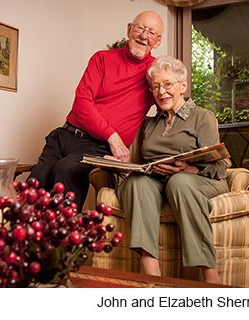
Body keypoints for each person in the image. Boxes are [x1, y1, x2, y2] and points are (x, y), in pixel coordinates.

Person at [29, 11, 164, 211]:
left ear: (157, 42)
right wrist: (114, 138)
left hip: (97, 147)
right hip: (65, 135)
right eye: (140, 28)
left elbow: (171, 100)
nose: (144, 36)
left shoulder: (155, 73)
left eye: (151, 32)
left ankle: (64, 240)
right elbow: (82, 102)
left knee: (66, 171)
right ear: (129, 29)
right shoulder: (101, 59)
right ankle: (26, 240)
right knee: (37, 181)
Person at [117, 55, 231, 284]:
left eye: (168, 84)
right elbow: (136, 162)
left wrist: (190, 169)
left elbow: (221, 164)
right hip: (157, 180)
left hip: (198, 179)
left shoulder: (202, 117)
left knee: (180, 182)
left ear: (183, 86)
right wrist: (120, 164)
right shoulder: (149, 123)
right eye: (156, 86)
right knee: (136, 183)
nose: (161, 92)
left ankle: (210, 274)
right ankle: (152, 273)